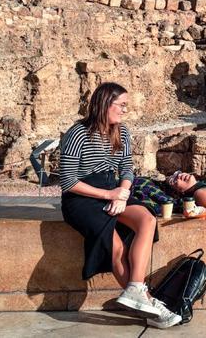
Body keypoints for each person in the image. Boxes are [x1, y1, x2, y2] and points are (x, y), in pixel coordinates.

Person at [59, 82, 182, 329]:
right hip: (81, 199)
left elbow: (127, 169)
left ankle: (136, 287)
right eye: (121, 105)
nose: (125, 110)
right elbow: (68, 181)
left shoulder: (122, 132)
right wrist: (108, 194)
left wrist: (122, 193)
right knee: (114, 245)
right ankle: (151, 309)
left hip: (114, 191)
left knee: (146, 218)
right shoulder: (78, 133)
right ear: (105, 103)